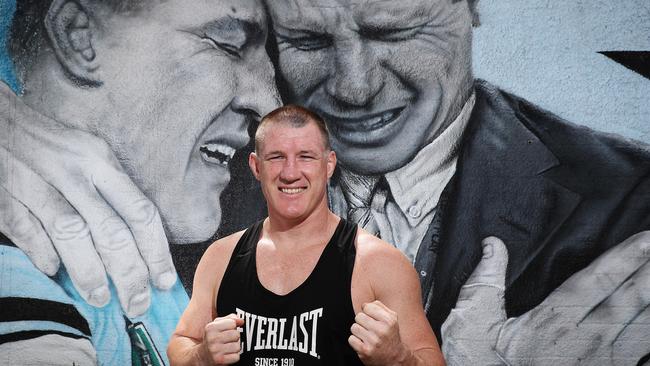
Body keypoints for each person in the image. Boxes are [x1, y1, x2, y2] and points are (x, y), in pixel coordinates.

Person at [262, 0, 650, 363]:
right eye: (307, 42)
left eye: (395, 33)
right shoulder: (209, 205)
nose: (354, 89)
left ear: (471, 6)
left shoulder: (631, 197)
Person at [0, 0, 278, 364]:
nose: (268, 105)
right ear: (76, 35)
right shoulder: (21, 263)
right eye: (225, 45)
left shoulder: (152, 275)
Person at [167, 105, 444, 365]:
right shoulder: (222, 257)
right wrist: (201, 356)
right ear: (256, 166)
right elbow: (181, 343)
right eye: (276, 157)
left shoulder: (378, 263)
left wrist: (398, 358)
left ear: (329, 165)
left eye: (306, 157)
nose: (290, 173)